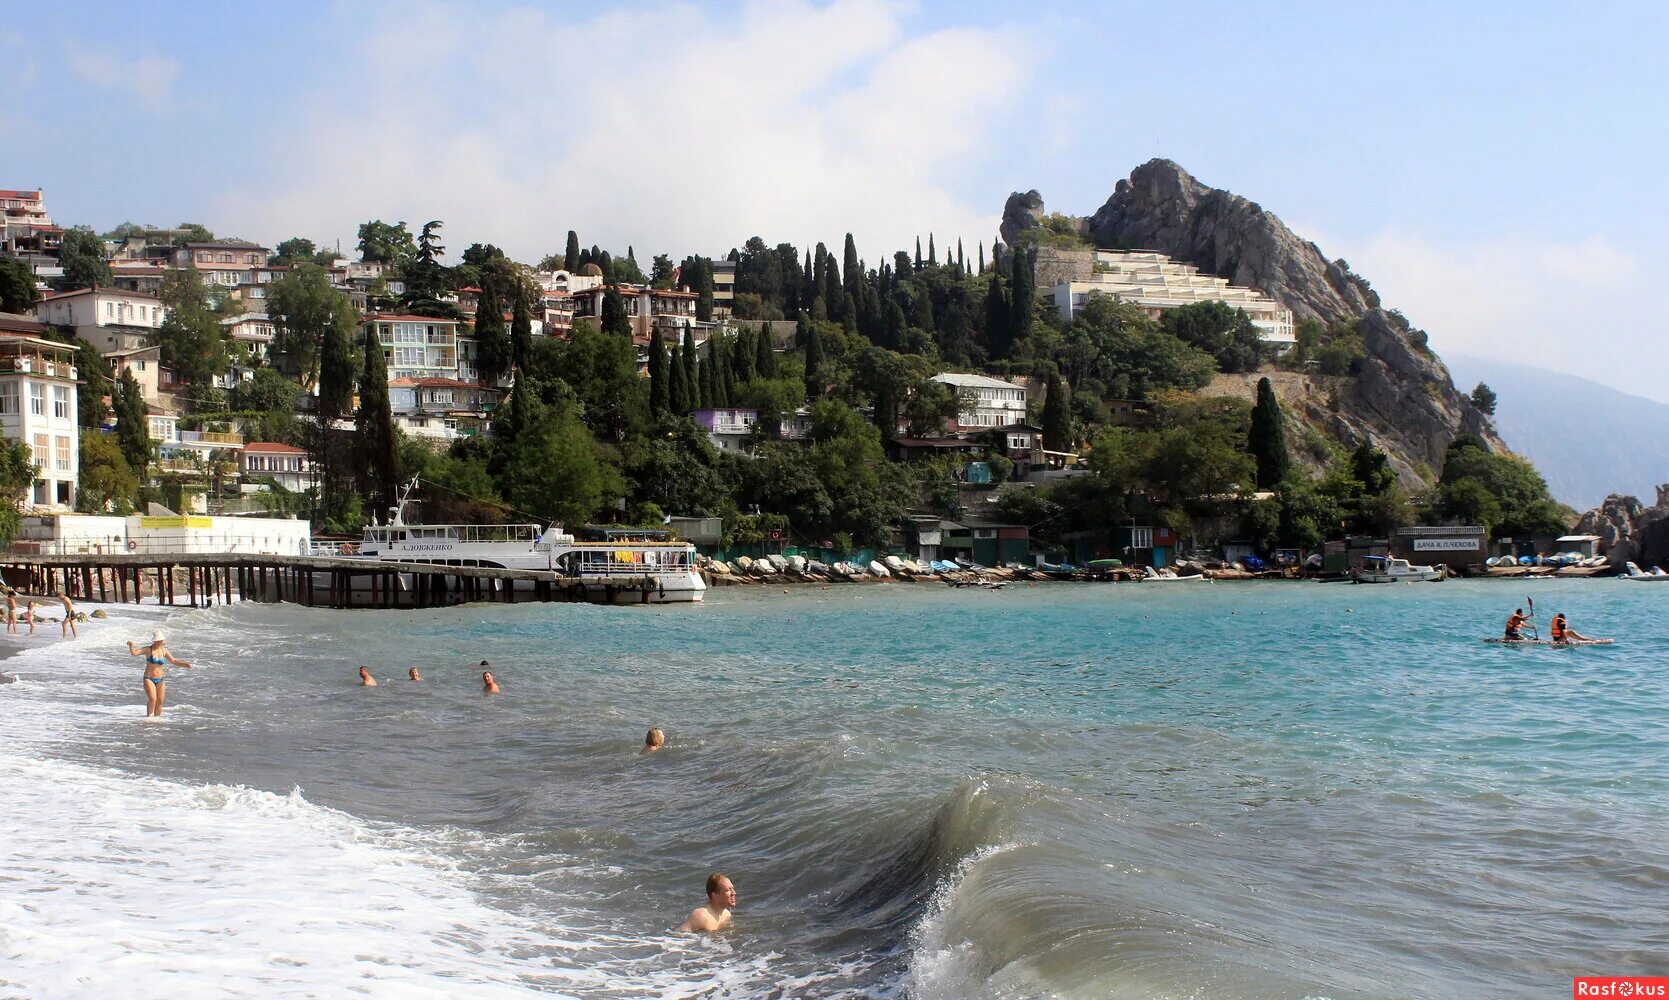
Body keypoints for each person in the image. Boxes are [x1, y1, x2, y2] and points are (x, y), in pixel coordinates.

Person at [127, 629, 192, 717]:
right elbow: (134, 653)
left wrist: (185, 664)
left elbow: (174, 661)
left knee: (160, 701)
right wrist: (131, 646)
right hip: (149, 678)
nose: (159, 642)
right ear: (154, 640)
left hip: (160, 679)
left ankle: (157, 720)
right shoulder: (148, 649)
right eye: (157, 641)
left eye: (161, 641)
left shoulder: (163, 650)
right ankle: (149, 718)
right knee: (153, 699)